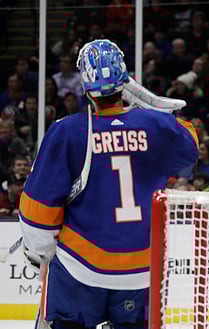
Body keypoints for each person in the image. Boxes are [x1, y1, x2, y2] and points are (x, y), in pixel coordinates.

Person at [19, 39, 199, 329]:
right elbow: (191, 143)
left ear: (84, 84)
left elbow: (40, 205)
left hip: (81, 267)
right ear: (126, 82)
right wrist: (150, 103)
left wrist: (37, 249)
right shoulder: (154, 125)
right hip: (141, 270)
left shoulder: (67, 130)